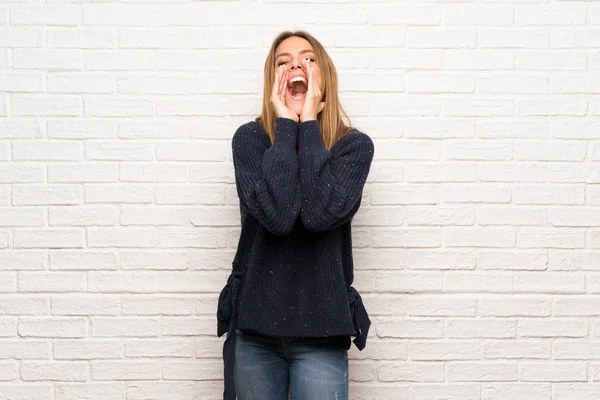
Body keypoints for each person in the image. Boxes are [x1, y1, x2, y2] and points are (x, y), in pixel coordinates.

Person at [216, 30, 375, 400]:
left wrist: (309, 127)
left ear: (324, 76)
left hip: (322, 332)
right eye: (283, 61)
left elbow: (319, 214)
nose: (295, 66)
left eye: (308, 58)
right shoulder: (251, 141)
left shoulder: (353, 147)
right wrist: (286, 124)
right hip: (254, 329)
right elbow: (279, 216)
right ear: (273, 79)